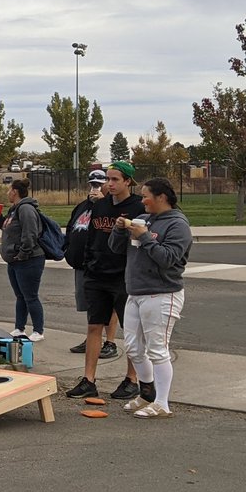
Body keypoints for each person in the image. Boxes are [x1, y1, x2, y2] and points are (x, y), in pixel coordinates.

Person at [110, 178, 191, 418]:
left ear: (161, 197)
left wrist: (145, 237)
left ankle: (163, 403)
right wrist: (118, 229)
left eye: (146, 196)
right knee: (134, 349)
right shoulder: (143, 219)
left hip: (162, 293)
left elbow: (168, 259)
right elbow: (116, 249)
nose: (142, 200)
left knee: (157, 350)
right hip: (135, 293)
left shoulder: (178, 225)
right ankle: (147, 393)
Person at [65, 161, 143, 400]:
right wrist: (89, 264)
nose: (109, 184)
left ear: (128, 181)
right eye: (108, 179)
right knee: (93, 326)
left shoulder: (138, 206)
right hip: (97, 274)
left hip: (123, 277)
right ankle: (89, 379)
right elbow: (91, 238)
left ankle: (132, 379)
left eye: (115, 179)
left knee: (130, 330)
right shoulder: (100, 207)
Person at [63, 169, 119, 353]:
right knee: (91, 305)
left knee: (109, 305)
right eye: (92, 184)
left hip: (103, 263)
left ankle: (110, 342)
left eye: (99, 184)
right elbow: (71, 228)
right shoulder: (81, 206)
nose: (95, 187)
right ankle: (92, 338)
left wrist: (102, 203)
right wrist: (68, 248)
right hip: (82, 263)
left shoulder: (110, 206)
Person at [0, 179, 46, 342]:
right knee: (20, 296)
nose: (7, 193)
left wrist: (23, 253)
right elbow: (9, 228)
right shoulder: (14, 209)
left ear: (15, 191)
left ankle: (38, 330)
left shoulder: (26, 209)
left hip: (29, 260)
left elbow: (30, 233)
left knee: (30, 296)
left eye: (9, 190)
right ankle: (19, 328)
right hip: (15, 261)